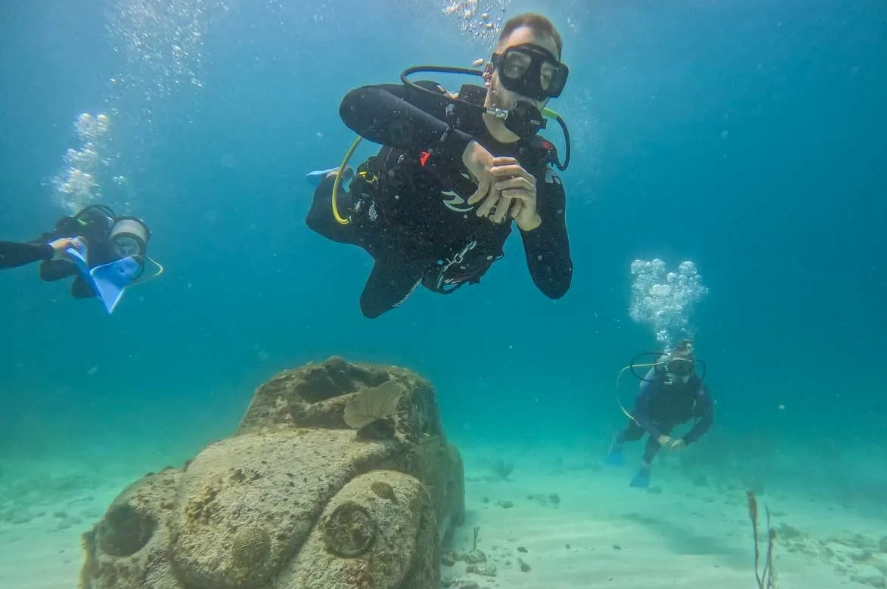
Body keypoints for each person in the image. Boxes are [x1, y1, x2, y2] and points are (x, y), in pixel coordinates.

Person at [305, 12, 573, 318]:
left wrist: (531, 223)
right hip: (374, 218)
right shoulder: (441, 107)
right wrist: (464, 149)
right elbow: (355, 104)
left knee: (372, 307)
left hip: (422, 260)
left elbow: (556, 283)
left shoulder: (537, 177)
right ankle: (333, 177)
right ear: (490, 72)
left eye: (546, 77)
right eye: (516, 67)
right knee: (318, 219)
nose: (528, 87)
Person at [606, 340, 714, 488]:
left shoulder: (697, 388)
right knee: (635, 435)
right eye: (676, 367)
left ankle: (643, 473)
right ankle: (618, 441)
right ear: (669, 366)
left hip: (668, 417)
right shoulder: (656, 380)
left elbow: (707, 420)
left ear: (693, 369)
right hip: (646, 413)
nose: (679, 374)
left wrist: (686, 440)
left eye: (685, 368)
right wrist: (658, 435)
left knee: (654, 444)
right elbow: (638, 411)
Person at [1, 205, 155, 305]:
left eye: (130, 249)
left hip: (82, 260)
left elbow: (78, 291)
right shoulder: (93, 234)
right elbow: (47, 274)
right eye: (123, 245)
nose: (124, 252)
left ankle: (58, 255)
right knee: (49, 264)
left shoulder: (116, 262)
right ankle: (58, 255)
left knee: (50, 264)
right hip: (69, 245)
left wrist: (109, 282)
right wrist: (52, 251)